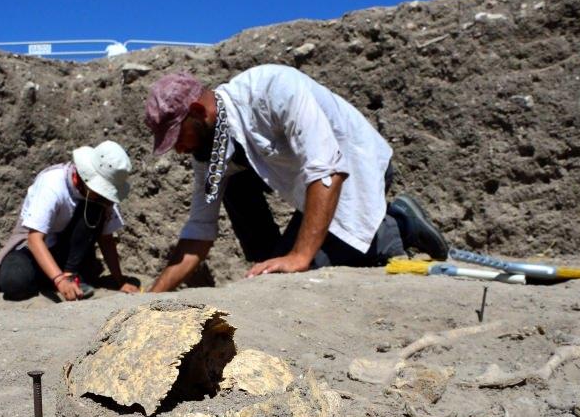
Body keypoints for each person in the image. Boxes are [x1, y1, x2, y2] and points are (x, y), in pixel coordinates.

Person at [142, 64, 450, 292]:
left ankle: (395, 223)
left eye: (178, 137)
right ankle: (277, 255)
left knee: (307, 276)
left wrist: (301, 257)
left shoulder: (273, 89)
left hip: (356, 172)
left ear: (198, 111)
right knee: (237, 194)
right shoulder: (210, 145)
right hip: (316, 191)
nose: (180, 150)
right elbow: (199, 229)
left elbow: (327, 169)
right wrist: (151, 299)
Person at [0, 140, 139, 301]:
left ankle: (71, 275)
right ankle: (52, 278)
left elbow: (106, 240)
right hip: (32, 250)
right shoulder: (53, 184)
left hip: (68, 255)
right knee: (14, 283)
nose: (104, 195)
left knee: (95, 208)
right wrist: (59, 280)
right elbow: (34, 239)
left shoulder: (100, 199)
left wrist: (120, 281)